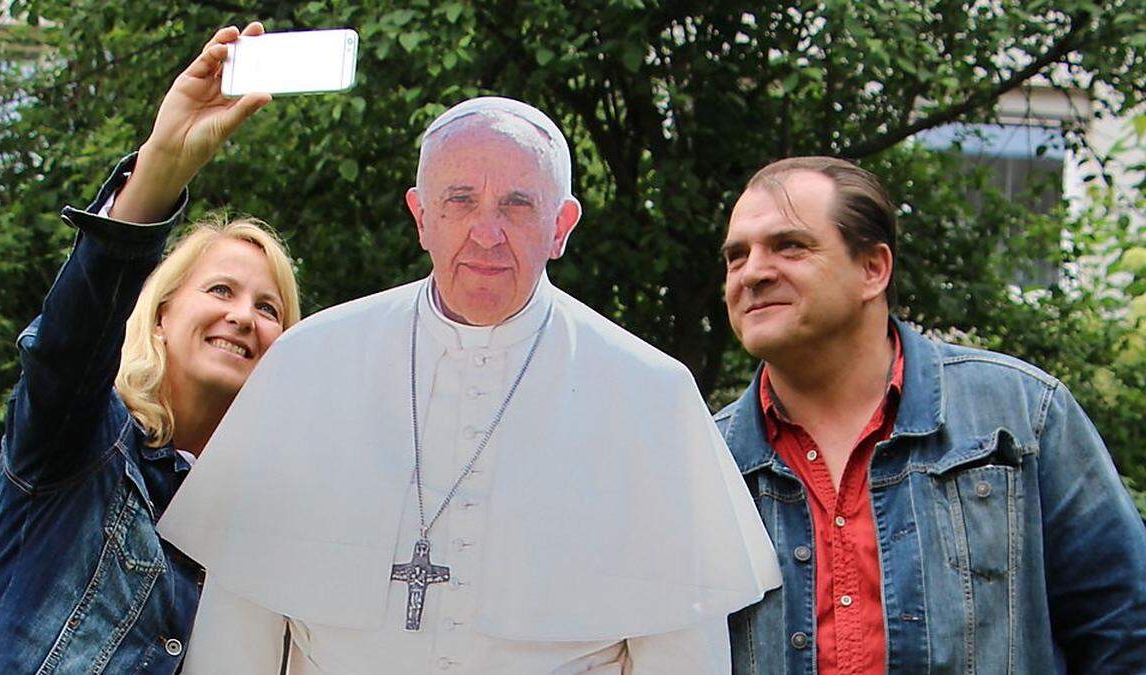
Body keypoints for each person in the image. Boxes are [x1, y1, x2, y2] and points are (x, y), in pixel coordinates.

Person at [156, 93, 782, 673]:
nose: (487, 232)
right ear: (421, 215)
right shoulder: (307, 363)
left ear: (561, 226)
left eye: (517, 204)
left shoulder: (650, 394)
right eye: (459, 200)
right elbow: (236, 634)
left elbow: (680, 650)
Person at [0, 23, 300, 674]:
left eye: (268, 307)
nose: (243, 316)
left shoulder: (258, 543)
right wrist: (162, 166)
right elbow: (67, 347)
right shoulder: (80, 443)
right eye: (222, 288)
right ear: (162, 315)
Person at [713, 156, 1146, 674]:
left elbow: (1123, 629)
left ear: (873, 268)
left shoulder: (1019, 416)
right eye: (737, 257)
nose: (754, 273)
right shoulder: (708, 461)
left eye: (789, 246)